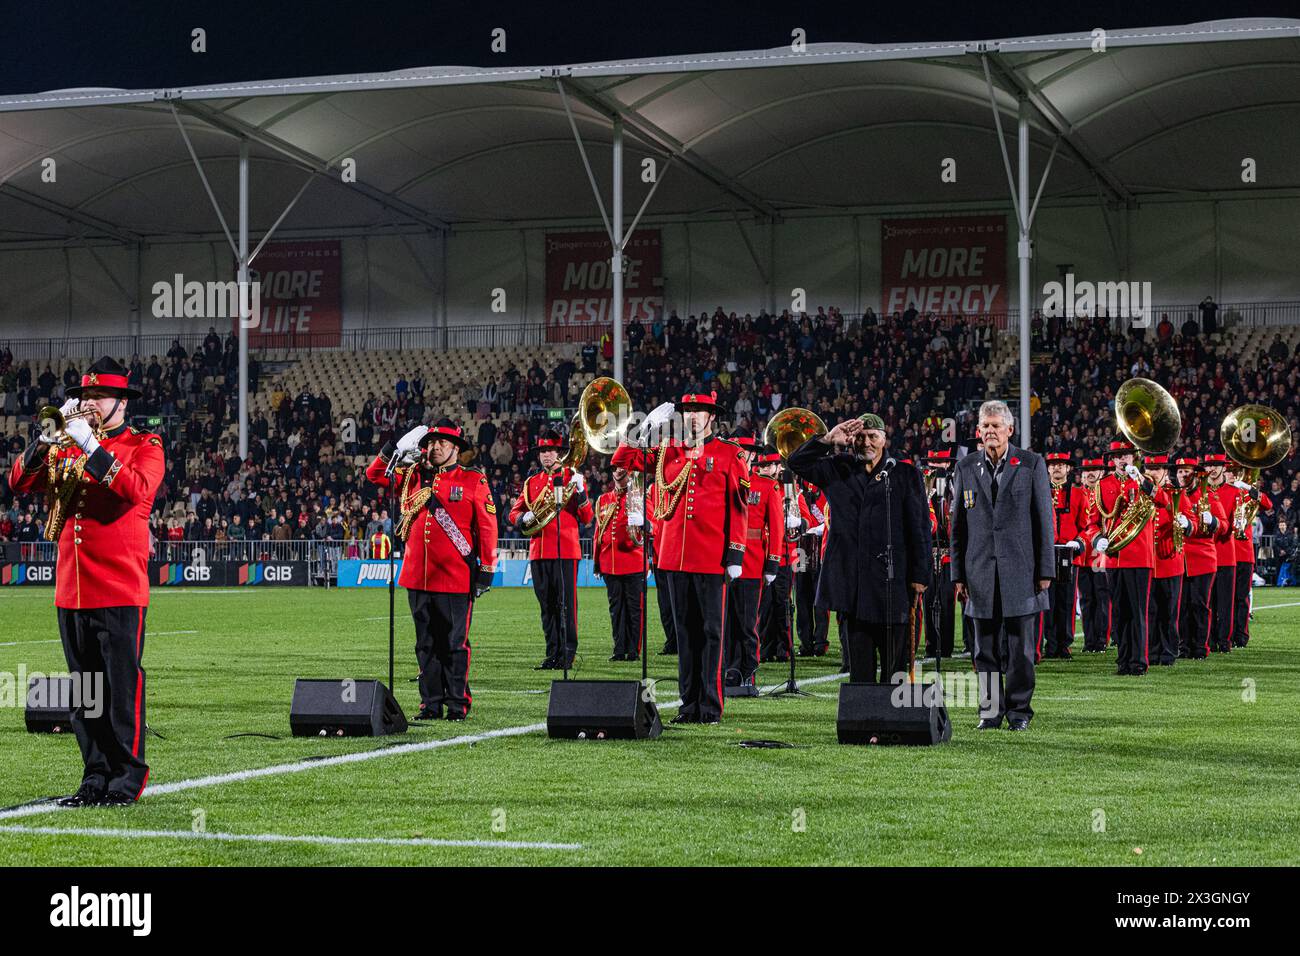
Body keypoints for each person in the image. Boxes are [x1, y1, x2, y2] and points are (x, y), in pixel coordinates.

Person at [7, 356, 164, 806]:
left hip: (118, 586)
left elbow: (136, 490)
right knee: (86, 693)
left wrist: (92, 446)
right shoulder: (68, 443)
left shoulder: (144, 444)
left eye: (99, 396)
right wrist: (42, 442)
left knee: (120, 688)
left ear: (120, 403)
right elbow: (19, 482)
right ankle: (94, 775)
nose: (90, 403)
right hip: (71, 586)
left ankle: (126, 778)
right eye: (87, 395)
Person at [613, 392, 750, 725]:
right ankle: (688, 704)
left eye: (699, 411)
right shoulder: (666, 452)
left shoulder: (729, 454)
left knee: (712, 634)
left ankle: (710, 706)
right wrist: (642, 429)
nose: (692, 416)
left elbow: (739, 507)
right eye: (687, 411)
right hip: (673, 557)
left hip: (711, 557)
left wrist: (735, 552)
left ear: (711, 417)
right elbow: (623, 461)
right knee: (685, 634)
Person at [365, 419, 497, 720]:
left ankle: (457, 704)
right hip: (417, 574)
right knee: (425, 644)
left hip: (454, 576)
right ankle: (430, 703)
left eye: (441, 443)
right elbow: (374, 474)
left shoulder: (472, 480)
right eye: (431, 442)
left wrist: (486, 569)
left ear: (454, 448)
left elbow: (487, 526)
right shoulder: (412, 475)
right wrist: (395, 448)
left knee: (454, 644)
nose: (434, 447)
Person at [788, 413, 929, 685]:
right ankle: (866, 726)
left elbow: (919, 527)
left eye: (873, 437)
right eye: (861, 437)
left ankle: (893, 724)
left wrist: (920, 575)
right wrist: (828, 440)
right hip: (852, 586)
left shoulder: (904, 473)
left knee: (896, 671)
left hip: (893, 585)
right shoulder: (838, 467)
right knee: (860, 671)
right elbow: (796, 462)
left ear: (884, 439)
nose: (866, 443)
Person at [950, 400, 1053, 729]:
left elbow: (1043, 522)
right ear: (978, 431)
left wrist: (1045, 571)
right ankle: (990, 713)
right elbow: (957, 528)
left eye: (996, 425)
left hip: (1021, 573)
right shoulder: (966, 467)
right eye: (985, 425)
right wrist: (958, 575)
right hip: (979, 574)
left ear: (1011, 429)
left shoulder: (1031, 464)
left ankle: (1019, 713)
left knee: (1021, 651)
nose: (990, 430)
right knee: (985, 651)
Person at [508, 429, 593, 669]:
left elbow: (586, 517)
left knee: (566, 605)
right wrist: (523, 517)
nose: (546, 455)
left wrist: (581, 492)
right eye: (543, 451)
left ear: (559, 453)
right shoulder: (531, 482)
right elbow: (513, 513)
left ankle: (567, 654)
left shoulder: (572, 477)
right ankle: (551, 653)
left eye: (550, 451)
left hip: (565, 550)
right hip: (538, 551)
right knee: (546, 606)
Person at [1085, 440, 1170, 676]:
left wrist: (1141, 481)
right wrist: (1095, 539)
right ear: (1112, 461)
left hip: (1140, 556)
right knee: (1120, 612)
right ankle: (1123, 661)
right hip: (1114, 557)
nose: (1123, 459)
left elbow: (1163, 502)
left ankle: (1138, 662)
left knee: (1138, 612)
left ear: (1135, 458)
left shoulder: (1146, 482)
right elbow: (1092, 523)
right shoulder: (1103, 485)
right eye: (1118, 456)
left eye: (1127, 455)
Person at [724, 434, 784, 693]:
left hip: (752, 563)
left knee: (748, 623)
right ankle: (730, 669)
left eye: (747, 451)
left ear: (752, 455)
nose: (743, 455)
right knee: (727, 623)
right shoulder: (725, 480)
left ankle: (749, 671)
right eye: (740, 450)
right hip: (723, 562)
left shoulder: (767, 486)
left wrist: (772, 564)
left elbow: (777, 527)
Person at [755, 446, 811, 663]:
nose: (769, 469)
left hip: (785, 554)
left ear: (779, 466)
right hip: (762, 553)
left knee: (783, 603)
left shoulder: (790, 488)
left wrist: (798, 522)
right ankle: (766, 649)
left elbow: (809, 519)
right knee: (765, 604)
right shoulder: (756, 486)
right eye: (764, 466)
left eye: (772, 465)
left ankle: (784, 649)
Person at [1145, 456, 1195, 665]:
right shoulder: (1143, 493)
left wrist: (1186, 523)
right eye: (1149, 468)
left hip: (1170, 560)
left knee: (1169, 610)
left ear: (1165, 471)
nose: (1151, 472)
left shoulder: (1177, 494)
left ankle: (1168, 651)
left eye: (1156, 469)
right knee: (1151, 609)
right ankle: (1152, 650)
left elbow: (1192, 520)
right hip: (1148, 560)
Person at [593, 464, 645, 662]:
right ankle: (619, 648)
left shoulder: (638, 497)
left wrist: (643, 522)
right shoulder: (604, 499)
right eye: (614, 467)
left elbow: (654, 527)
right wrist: (597, 562)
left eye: (622, 467)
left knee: (634, 608)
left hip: (633, 561)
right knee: (616, 609)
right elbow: (599, 533)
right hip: (610, 563)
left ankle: (633, 650)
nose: (617, 471)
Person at [1177, 456, 1226, 659]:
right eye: (1180, 471)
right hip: (1181, 559)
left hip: (1203, 559)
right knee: (1181, 606)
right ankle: (1183, 646)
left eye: (1186, 471)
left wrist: (1213, 520)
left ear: (1195, 473)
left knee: (1199, 605)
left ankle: (1199, 647)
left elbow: (1224, 526)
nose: (1182, 475)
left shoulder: (1209, 496)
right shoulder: (1175, 495)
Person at [1043, 452, 1088, 660]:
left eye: (1061, 465)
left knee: (1067, 601)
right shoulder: (1041, 492)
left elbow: (1086, 527)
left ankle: (1064, 643)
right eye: (1053, 465)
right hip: (1046, 552)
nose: (1056, 468)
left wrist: (1077, 542)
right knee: (1048, 600)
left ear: (1068, 469)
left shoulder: (1079, 494)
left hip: (1068, 553)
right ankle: (1050, 643)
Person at [1226, 462, 1273, 647]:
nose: (1232, 475)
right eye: (1230, 472)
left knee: (1241, 597)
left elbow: (1268, 504)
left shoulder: (1246, 493)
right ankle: (1226, 635)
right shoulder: (1218, 492)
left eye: (1235, 472)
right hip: (1224, 552)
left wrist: (1249, 488)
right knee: (1224, 598)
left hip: (1243, 552)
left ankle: (1241, 636)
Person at [1201, 453, 1241, 653]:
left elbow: (1237, 525)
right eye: (1209, 465)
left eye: (1216, 465)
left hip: (1225, 553)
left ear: (1224, 468)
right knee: (1207, 603)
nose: (1212, 469)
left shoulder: (1234, 492)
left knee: (1225, 602)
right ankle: (1207, 639)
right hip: (1204, 555)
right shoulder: (1200, 492)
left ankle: (1224, 641)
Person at [922, 448, 957, 659]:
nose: (937, 469)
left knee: (947, 600)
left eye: (941, 464)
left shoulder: (954, 487)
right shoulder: (922, 488)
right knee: (928, 601)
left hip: (948, 553)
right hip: (928, 553)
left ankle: (946, 647)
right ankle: (930, 645)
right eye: (933, 465)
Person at [1076, 457, 1112, 653]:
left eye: (1095, 469)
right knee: (1086, 598)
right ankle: (1089, 640)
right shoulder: (1076, 494)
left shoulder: (1104, 494)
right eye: (1087, 470)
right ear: (1081, 475)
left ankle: (1101, 639)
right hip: (1083, 554)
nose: (1090, 473)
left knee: (1102, 596)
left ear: (1101, 473)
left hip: (1100, 553)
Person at [793, 477, 830, 657]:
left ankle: (820, 642)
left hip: (818, 546)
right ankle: (805, 643)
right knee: (801, 596)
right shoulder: (797, 494)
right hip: (800, 548)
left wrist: (819, 528)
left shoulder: (825, 493)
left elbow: (830, 519)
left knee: (819, 598)